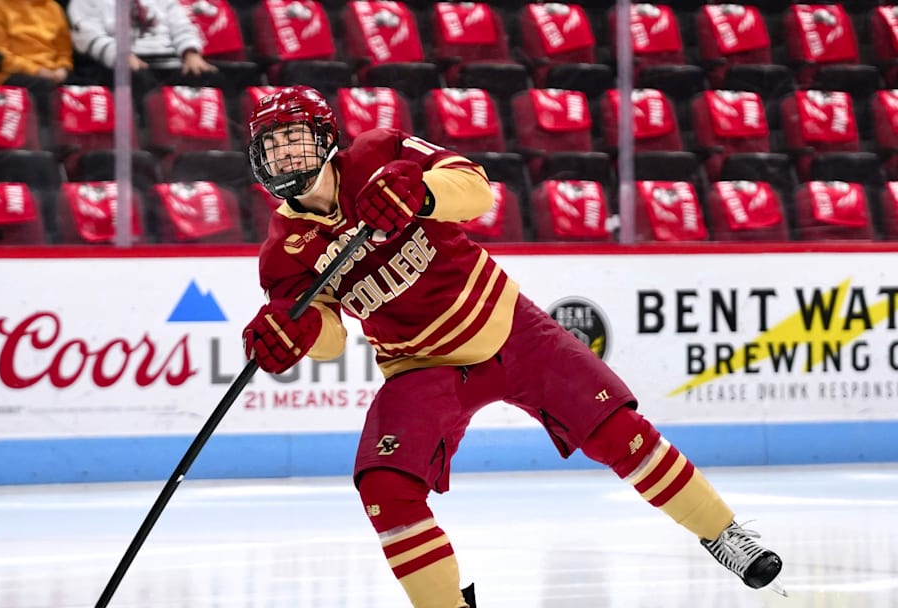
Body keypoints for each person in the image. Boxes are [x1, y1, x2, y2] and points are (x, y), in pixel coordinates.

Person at [240, 86, 785, 608]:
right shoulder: (282, 255)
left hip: (509, 327)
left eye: (295, 138)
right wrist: (299, 335)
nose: (286, 155)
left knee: (620, 432)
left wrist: (422, 192)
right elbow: (327, 335)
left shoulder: (380, 151)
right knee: (385, 485)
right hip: (419, 364)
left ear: (327, 136)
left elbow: (476, 188)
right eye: (273, 146)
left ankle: (724, 534)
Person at [66, 0, 216, 92]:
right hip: (122, 62)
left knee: (211, 79)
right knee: (138, 82)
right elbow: (86, 34)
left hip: (171, 61)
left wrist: (191, 53)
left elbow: (181, 24)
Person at [0, 0, 78, 116]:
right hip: (12, 73)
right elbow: (0, 57)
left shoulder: (53, 7)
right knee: (43, 87)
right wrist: (36, 71)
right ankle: (44, 132)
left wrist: (63, 68)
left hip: (52, 72)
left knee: (88, 88)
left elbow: (64, 51)